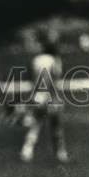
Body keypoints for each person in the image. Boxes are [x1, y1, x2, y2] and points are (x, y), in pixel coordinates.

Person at [20, 35, 69, 163]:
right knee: (56, 126)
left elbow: (31, 79)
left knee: (35, 125)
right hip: (50, 96)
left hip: (38, 96)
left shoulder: (36, 60)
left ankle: (27, 151)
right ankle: (61, 154)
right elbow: (54, 80)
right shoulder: (55, 61)